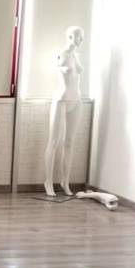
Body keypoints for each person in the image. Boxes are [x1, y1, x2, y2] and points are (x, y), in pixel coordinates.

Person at [44, 25, 84, 197]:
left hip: (76, 100)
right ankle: (48, 181)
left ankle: (65, 182)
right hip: (61, 99)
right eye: (78, 36)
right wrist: (61, 68)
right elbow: (57, 68)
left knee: (70, 141)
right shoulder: (62, 54)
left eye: (82, 37)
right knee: (54, 141)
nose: (81, 40)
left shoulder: (76, 56)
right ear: (70, 37)